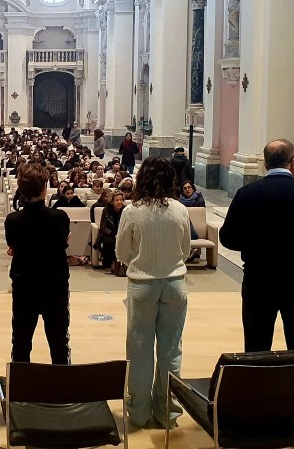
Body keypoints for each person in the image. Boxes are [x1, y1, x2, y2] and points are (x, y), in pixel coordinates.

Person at [219, 139, 294, 352]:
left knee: (256, 347)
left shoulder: (247, 193)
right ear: (293, 162)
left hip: (259, 280)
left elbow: (227, 238)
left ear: (265, 163)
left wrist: (254, 246)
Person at [116, 156, 191, 429]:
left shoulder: (132, 211)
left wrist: (140, 261)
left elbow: (121, 252)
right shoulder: (180, 209)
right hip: (174, 284)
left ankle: (138, 413)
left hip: (142, 285)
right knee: (171, 350)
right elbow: (185, 250)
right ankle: (167, 413)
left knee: (139, 350)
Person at [4, 163, 71, 364]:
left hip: (25, 286)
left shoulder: (12, 220)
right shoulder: (60, 217)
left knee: (21, 340)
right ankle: (61, 382)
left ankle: (21, 382)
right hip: (54, 285)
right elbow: (63, 243)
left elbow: (13, 245)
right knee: (59, 340)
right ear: (44, 188)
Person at [97, 191, 125, 270]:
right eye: (117, 200)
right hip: (110, 234)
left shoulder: (125, 210)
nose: (119, 202)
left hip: (123, 233)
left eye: (121, 200)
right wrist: (114, 234)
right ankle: (108, 263)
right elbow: (103, 227)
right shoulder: (106, 210)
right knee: (108, 242)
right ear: (112, 201)